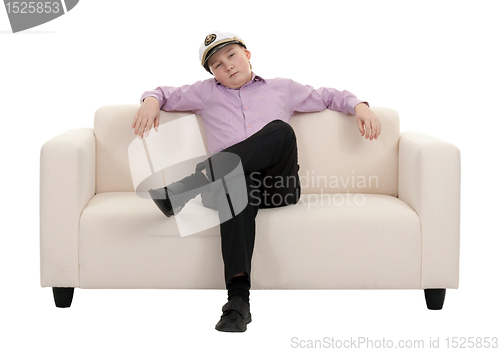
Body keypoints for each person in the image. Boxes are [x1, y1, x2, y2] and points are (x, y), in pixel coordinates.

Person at [132, 31, 381, 333]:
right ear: (212, 73)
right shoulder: (205, 93)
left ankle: (187, 186)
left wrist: (360, 106)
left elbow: (329, 96)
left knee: (281, 131)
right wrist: (149, 101)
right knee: (237, 186)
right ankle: (238, 303)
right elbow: (164, 92)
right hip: (230, 186)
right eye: (217, 65)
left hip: (279, 186)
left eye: (232, 56)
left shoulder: (282, 89)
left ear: (247, 55)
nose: (228, 66)